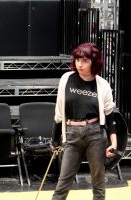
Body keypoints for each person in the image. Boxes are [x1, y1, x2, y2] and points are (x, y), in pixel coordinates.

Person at [51, 43, 117, 200]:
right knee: (63, 183)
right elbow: (59, 112)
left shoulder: (103, 85)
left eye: (85, 60)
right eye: (78, 59)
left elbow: (110, 117)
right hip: (71, 134)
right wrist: (54, 138)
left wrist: (113, 144)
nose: (80, 64)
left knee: (98, 182)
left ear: (94, 62)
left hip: (95, 134)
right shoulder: (66, 79)